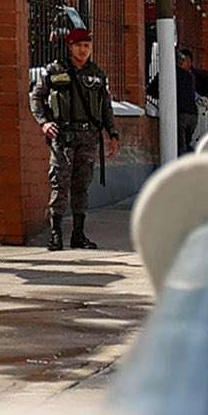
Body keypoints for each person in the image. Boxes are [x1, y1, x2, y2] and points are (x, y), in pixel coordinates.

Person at [29, 26, 120, 251]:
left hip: (89, 136)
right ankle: (56, 234)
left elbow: (106, 107)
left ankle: (78, 234)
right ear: (70, 46)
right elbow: (37, 98)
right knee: (60, 184)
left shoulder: (97, 74)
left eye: (87, 46)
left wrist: (113, 134)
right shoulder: (55, 70)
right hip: (63, 136)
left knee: (82, 185)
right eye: (79, 46)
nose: (83, 50)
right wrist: (44, 123)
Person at [151, 44, 202, 152]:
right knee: (186, 143)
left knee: (179, 147)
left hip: (180, 114)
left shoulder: (167, 74)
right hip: (193, 115)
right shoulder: (190, 76)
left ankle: (181, 166)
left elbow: (151, 90)